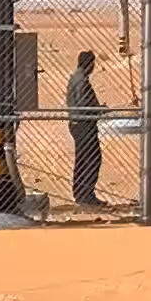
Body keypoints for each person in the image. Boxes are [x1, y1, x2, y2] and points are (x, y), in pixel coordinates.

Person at [64, 46, 105, 211]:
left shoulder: (76, 78)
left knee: (82, 158)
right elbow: (83, 105)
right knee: (93, 158)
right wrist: (98, 110)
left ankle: (80, 192)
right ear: (90, 64)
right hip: (84, 124)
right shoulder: (81, 81)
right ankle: (87, 193)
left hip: (78, 124)